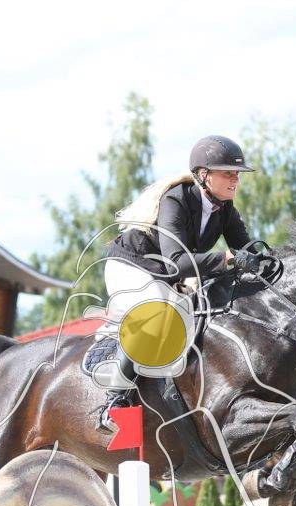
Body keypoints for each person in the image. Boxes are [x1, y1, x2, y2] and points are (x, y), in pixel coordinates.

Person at [98, 134, 259, 432]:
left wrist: (269, 262)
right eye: (228, 173)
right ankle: (114, 401)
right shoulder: (176, 200)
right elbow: (177, 262)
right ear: (204, 175)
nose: (236, 180)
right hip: (132, 266)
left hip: (165, 273)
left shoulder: (225, 209)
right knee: (160, 311)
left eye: (237, 174)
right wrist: (227, 259)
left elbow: (247, 251)